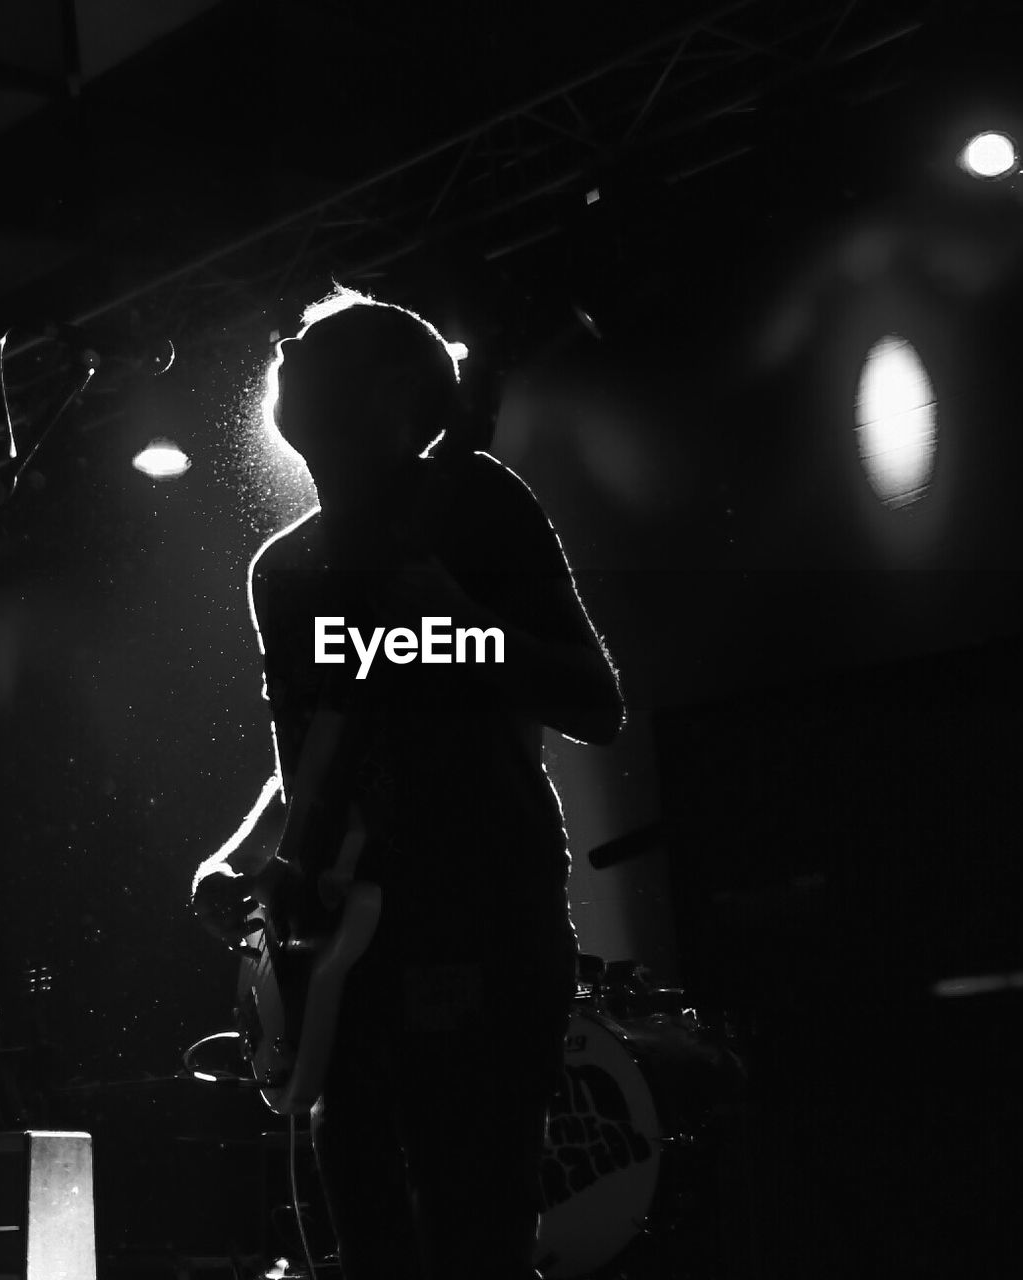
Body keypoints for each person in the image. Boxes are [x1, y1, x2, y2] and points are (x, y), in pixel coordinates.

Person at [192, 285, 624, 1280]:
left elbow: (593, 700)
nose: (284, 336)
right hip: (346, 956)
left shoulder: (471, 500)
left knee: (474, 1231)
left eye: (317, 339)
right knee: (371, 1242)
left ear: (391, 389)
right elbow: (305, 764)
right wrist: (242, 861)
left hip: (479, 917)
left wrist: (457, 630)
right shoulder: (282, 568)